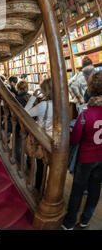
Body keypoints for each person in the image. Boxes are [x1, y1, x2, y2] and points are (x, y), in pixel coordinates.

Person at [62, 70, 102, 230]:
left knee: (77, 190)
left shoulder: (85, 113)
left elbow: (74, 140)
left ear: (90, 88)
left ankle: (69, 222)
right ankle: (85, 219)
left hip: (85, 159)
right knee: (95, 188)